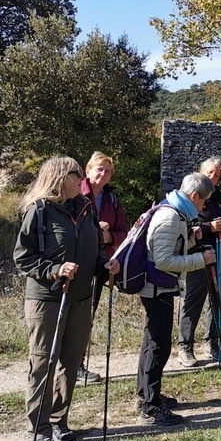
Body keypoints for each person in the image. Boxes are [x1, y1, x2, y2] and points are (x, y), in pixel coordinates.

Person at [13, 155, 119, 441]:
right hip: (48, 299)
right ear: (61, 177)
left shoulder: (85, 209)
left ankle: (59, 421)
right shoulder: (40, 211)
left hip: (81, 297)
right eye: (76, 173)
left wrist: (105, 264)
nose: (80, 179)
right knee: (44, 362)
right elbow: (23, 256)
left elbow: (95, 249)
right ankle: (40, 427)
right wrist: (54, 269)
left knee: (71, 362)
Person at [137, 172, 217, 426]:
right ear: (195, 196)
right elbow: (163, 260)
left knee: (153, 342)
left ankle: (147, 396)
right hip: (156, 287)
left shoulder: (175, 211)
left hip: (159, 287)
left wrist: (191, 238)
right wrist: (200, 260)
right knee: (157, 345)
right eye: (204, 201)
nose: (204, 206)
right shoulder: (171, 216)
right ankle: (150, 408)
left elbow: (169, 249)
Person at [178, 157, 221, 368]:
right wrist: (209, 227)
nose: (212, 177)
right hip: (197, 257)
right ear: (200, 171)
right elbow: (185, 227)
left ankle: (213, 343)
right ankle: (185, 347)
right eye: (209, 172)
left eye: (216, 175)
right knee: (193, 302)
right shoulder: (189, 196)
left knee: (219, 301)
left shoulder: (218, 198)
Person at [78, 151, 130, 383]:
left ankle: (77, 366)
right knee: (73, 316)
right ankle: (66, 364)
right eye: (99, 169)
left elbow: (125, 234)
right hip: (75, 265)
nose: (104, 174)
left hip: (101, 265)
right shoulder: (74, 193)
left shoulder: (112, 200)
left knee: (88, 314)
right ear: (88, 170)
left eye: (108, 171)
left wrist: (107, 236)